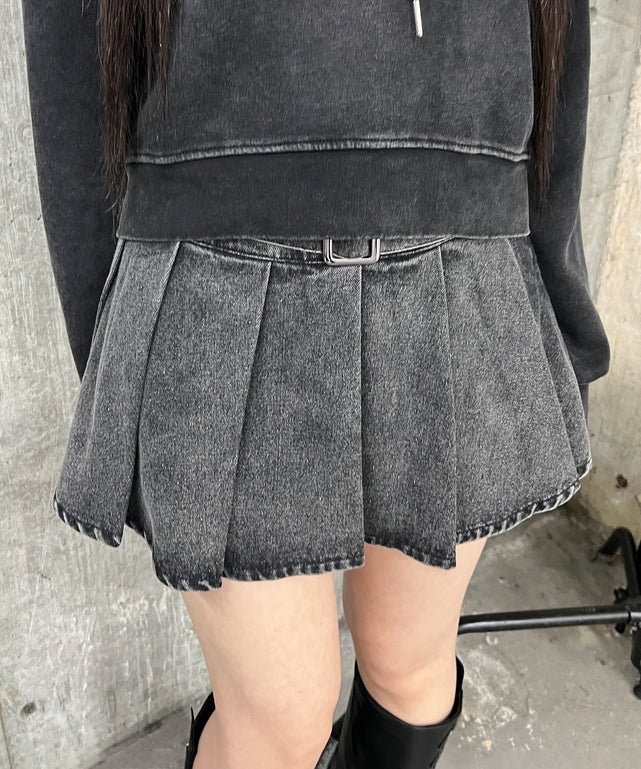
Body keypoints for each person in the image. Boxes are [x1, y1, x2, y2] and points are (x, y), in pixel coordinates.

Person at [20, 1, 611, 768]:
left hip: (468, 271)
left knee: (408, 668)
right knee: (279, 717)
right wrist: (115, 357)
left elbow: (555, 49)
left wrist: (562, 327)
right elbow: (72, 71)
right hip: (214, 286)